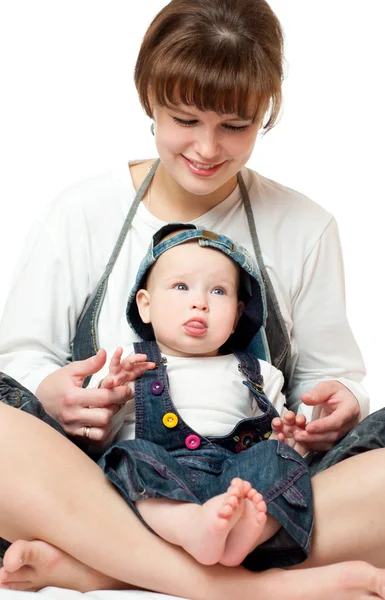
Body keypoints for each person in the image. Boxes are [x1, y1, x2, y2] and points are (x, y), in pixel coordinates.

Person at [1, 0, 385, 597]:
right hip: (111, 486)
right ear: (148, 99)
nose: (208, 149)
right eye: (185, 119)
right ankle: (238, 588)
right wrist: (50, 392)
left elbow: (331, 378)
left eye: (235, 126)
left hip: (255, 500)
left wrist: (336, 406)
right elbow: (16, 365)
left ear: (265, 115)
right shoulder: (78, 213)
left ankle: (104, 567)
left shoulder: (305, 226)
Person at [88, 223, 313, 569]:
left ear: (238, 315)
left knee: (279, 461)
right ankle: (188, 524)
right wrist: (111, 398)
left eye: (219, 292)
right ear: (145, 306)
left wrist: (292, 441)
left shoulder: (260, 373)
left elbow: (279, 437)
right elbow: (93, 438)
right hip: (158, 483)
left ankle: (245, 534)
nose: (200, 303)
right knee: (128, 456)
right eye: (180, 286)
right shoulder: (127, 364)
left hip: (235, 484)